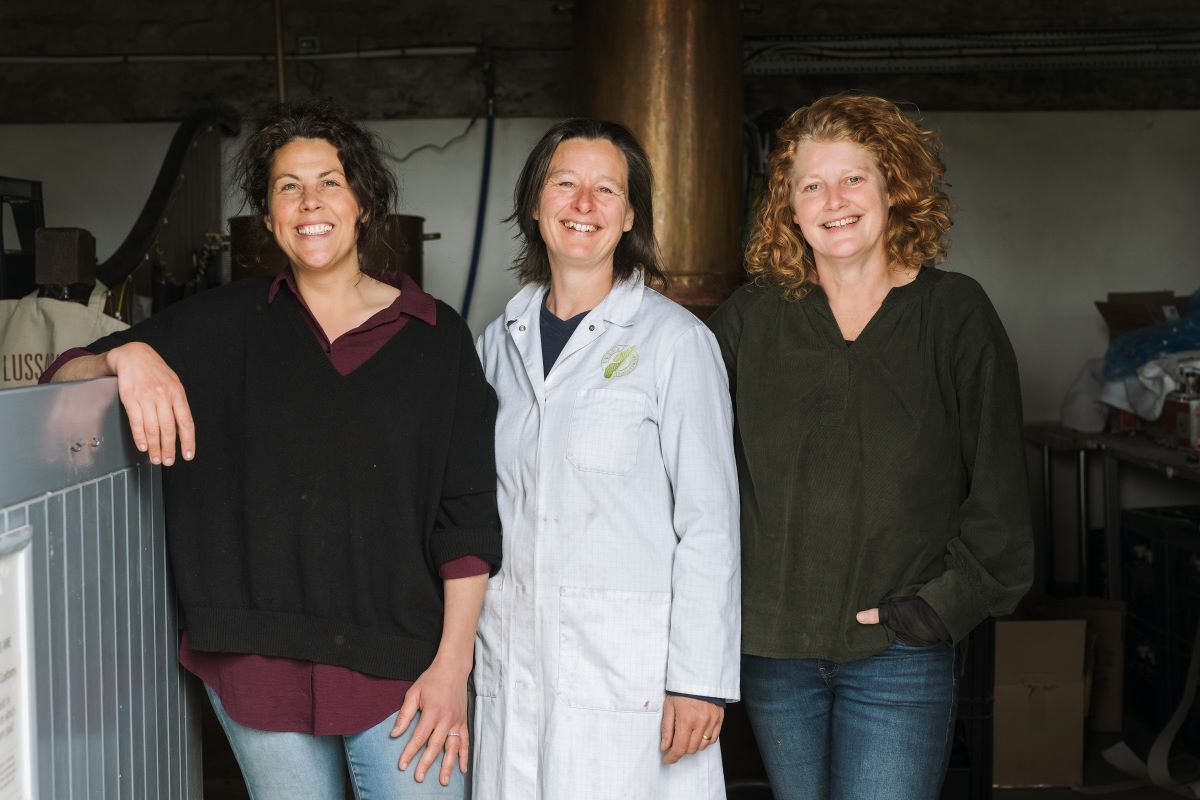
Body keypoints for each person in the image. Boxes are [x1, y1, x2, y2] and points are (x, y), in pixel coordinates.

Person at [42, 100, 501, 798]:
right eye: (288, 186)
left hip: (404, 665)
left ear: (364, 203)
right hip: (258, 659)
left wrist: (452, 669)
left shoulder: (437, 339)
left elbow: (466, 520)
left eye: (329, 182)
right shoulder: (224, 323)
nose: (309, 202)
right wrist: (126, 356)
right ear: (267, 213)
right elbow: (59, 374)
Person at [707, 93, 1034, 800]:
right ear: (788, 209)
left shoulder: (955, 314)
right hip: (774, 649)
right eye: (811, 185)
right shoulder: (750, 321)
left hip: (900, 651)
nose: (835, 200)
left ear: (895, 189)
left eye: (854, 178)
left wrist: (939, 608)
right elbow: (690, 470)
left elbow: (1002, 493)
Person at [472, 118, 741, 800]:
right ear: (535, 205)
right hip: (511, 660)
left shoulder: (676, 343)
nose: (583, 205)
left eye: (606, 189)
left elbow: (710, 522)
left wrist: (698, 680)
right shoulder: (494, 347)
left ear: (629, 217)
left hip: (635, 682)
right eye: (565, 184)